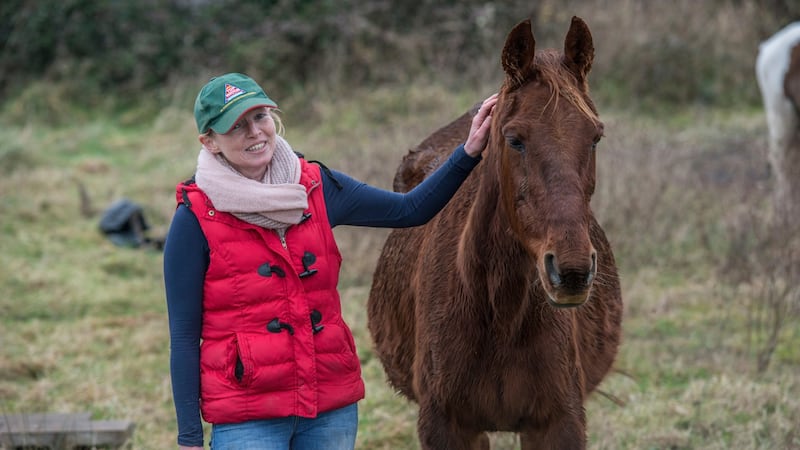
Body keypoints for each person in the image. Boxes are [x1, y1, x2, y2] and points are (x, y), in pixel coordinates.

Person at [163, 72, 497, 450]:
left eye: (260, 117)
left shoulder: (317, 186)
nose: (255, 132)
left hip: (328, 405)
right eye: (236, 126)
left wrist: (468, 151)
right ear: (210, 142)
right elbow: (185, 336)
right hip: (248, 417)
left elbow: (410, 210)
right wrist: (189, 437)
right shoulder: (195, 218)